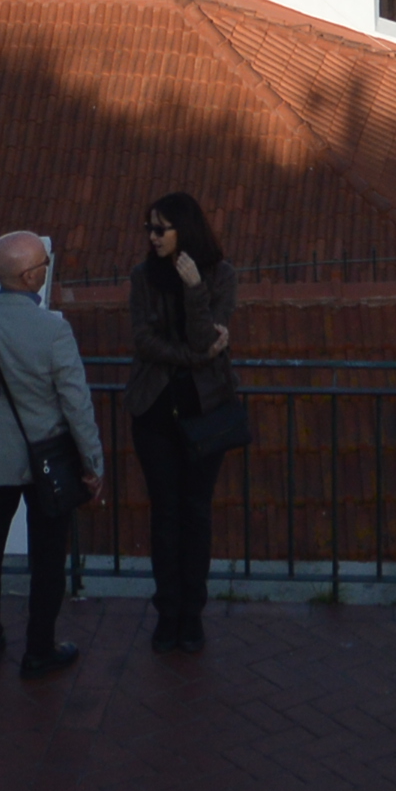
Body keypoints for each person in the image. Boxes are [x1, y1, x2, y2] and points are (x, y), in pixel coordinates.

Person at [0, 229, 102, 679]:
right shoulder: (53, 329)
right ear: (32, 276)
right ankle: (39, 648)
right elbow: (76, 402)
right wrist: (93, 463)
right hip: (47, 459)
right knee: (48, 554)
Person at [125, 190, 241, 654]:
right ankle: (167, 611)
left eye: (161, 229)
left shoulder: (220, 275)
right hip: (154, 408)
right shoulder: (142, 277)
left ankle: (191, 614)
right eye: (149, 228)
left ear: (183, 230)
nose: (152, 238)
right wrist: (194, 356)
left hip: (204, 409)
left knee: (195, 509)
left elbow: (205, 331)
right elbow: (144, 341)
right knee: (165, 510)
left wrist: (194, 289)